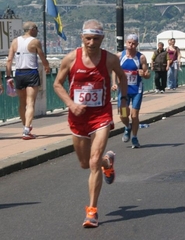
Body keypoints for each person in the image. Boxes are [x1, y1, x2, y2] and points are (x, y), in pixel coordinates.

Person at [53, 19, 128, 228]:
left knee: (93, 162)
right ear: (82, 38)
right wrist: (70, 103)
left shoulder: (110, 59)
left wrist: (123, 101)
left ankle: (92, 211)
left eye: (96, 38)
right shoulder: (70, 59)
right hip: (77, 118)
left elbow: (122, 78)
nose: (92, 42)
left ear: (102, 39)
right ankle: (108, 163)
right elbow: (57, 84)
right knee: (85, 163)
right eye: (88, 38)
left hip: (100, 116)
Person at [6, 21, 51, 140]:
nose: (37, 31)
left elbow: (9, 60)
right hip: (31, 73)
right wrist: (47, 67)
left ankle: (25, 128)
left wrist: (8, 76)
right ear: (31, 29)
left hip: (19, 73)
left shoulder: (15, 41)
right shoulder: (35, 42)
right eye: (36, 28)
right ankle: (27, 129)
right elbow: (42, 57)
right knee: (30, 102)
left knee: (22, 103)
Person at [113, 34, 150, 148]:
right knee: (123, 115)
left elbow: (148, 74)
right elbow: (114, 70)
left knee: (134, 115)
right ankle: (127, 127)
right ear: (126, 43)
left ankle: (134, 137)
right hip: (123, 90)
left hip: (136, 90)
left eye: (133, 43)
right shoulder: (119, 56)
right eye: (129, 42)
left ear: (137, 45)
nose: (131, 45)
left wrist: (144, 74)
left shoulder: (141, 57)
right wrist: (114, 83)